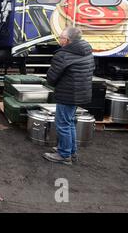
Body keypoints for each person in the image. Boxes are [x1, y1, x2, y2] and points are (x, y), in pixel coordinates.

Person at [43, 27, 95, 165]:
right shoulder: (86, 51)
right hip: (79, 92)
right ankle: (71, 150)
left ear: (67, 40)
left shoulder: (63, 55)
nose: (58, 39)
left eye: (60, 37)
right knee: (70, 122)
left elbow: (51, 78)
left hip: (67, 93)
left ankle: (64, 155)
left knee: (63, 124)